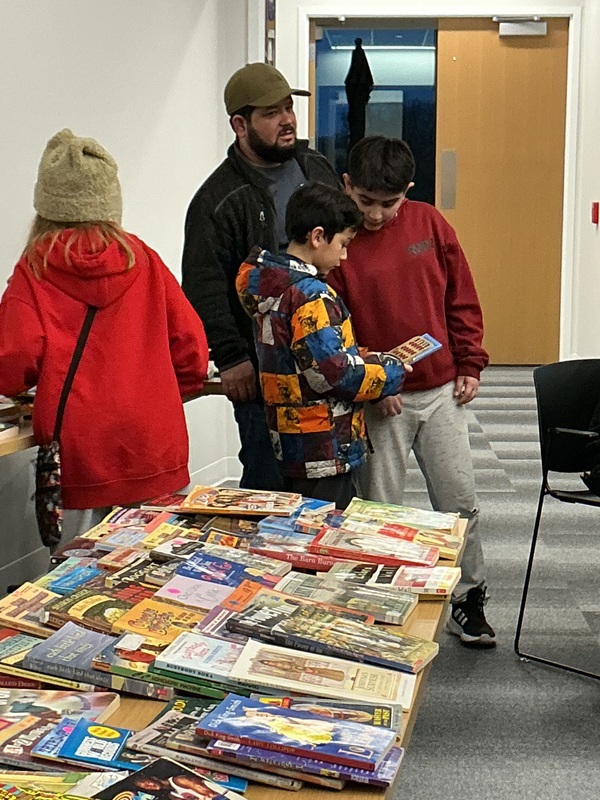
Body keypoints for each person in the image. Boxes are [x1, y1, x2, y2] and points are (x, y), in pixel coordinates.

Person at [0, 129, 209, 543]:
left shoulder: (35, 270)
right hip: (155, 447)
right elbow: (193, 352)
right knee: (162, 569)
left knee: (79, 575)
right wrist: (159, 397)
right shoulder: (144, 259)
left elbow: (10, 363)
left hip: (80, 457)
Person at [328, 136, 495, 647]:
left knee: (459, 500)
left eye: (390, 203)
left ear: (409, 191)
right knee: (382, 508)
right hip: (382, 399)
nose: (376, 215)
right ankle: (382, 603)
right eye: (365, 201)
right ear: (347, 186)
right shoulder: (337, 241)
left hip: (441, 389)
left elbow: (460, 296)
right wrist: (373, 385)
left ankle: (468, 596)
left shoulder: (430, 223)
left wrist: (470, 360)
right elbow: (337, 329)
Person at [182, 62, 340, 491]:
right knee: (270, 484)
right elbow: (203, 286)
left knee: (333, 481)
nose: (287, 120)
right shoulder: (217, 200)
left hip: (328, 354)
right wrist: (231, 358)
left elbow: (344, 246)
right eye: (271, 113)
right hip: (263, 368)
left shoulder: (316, 168)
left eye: (288, 107)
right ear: (240, 125)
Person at [236, 182, 407, 509]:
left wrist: (357, 357)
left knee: (295, 529)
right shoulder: (311, 295)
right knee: (325, 530)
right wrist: (391, 371)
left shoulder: (271, 287)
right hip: (324, 446)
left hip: (289, 439)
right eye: (343, 244)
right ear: (317, 236)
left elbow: (301, 358)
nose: (344, 256)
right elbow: (332, 375)